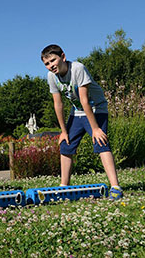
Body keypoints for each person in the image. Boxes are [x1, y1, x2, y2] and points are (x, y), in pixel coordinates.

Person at [41, 44, 123, 200]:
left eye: (53, 60)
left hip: (96, 109)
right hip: (77, 111)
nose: (51, 66)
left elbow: (85, 100)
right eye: (47, 63)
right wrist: (64, 131)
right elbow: (58, 104)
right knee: (66, 144)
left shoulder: (78, 68)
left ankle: (115, 187)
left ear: (63, 57)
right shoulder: (51, 76)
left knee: (100, 142)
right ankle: (64, 187)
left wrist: (96, 129)